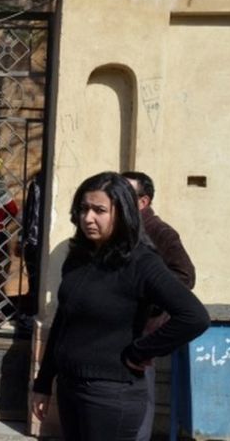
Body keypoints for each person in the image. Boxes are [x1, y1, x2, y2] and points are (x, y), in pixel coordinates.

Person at [31, 172, 209, 441]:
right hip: (70, 388)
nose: (88, 217)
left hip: (111, 396)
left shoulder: (142, 262)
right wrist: (43, 382)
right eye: (83, 209)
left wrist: (139, 352)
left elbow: (194, 317)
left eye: (99, 210)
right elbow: (63, 322)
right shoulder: (78, 258)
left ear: (123, 213)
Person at [121, 171, 196, 441]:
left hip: (144, 331)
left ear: (143, 202)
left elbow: (185, 276)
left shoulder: (159, 232)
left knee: (140, 395)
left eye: (125, 194)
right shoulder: (122, 230)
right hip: (119, 328)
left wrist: (152, 303)